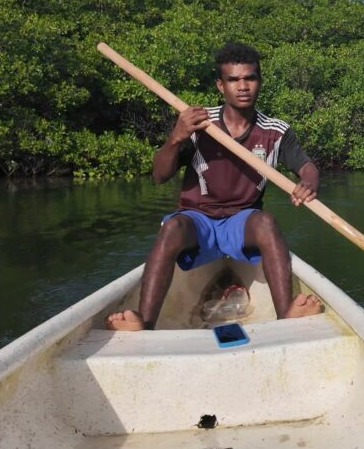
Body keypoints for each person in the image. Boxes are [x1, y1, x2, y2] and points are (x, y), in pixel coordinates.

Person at [107, 42, 322, 331]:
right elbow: (159, 176)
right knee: (170, 228)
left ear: (260, 81)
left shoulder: (275, 131)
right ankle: (144, 323)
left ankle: (285, 315)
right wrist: (176, 137)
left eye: (250, 78)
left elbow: (307, 167)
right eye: (233, 80)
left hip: (242, 220)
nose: (242, 86)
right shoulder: (196, 122)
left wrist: (308, 182)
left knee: (267, 223)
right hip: (198, 221)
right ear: (221, 86)